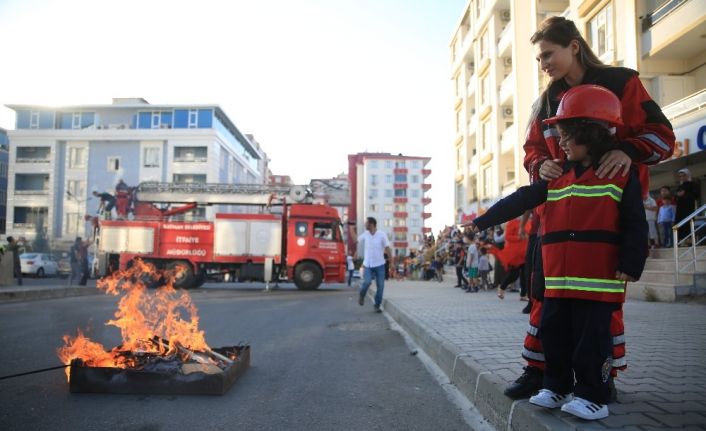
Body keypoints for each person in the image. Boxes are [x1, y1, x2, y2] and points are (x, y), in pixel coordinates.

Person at [511, 15, 675, 403]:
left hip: (609, 212)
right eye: (538, 59)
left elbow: (663, 137)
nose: (543, 64)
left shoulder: (622, 82)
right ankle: (541, 374)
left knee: (601, 301)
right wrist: (541, 166)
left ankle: (600, 379)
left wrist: (626, 149)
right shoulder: (545, 101)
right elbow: (532, 150)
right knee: (543, 293)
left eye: (547, 54)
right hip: (555, 213)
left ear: (574, 46)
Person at [471, 84, 648, 420]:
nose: (561, 143)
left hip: (599, 283)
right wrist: (482, 222)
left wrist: (631, 262)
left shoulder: (620, 175)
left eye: (568, 136)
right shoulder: (557, 176)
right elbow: (520, 200)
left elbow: (635, 222)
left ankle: (593, 396)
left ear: (592, 134)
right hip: (559, 282)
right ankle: (555, 385)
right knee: (554, 336)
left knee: (591, 343)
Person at [355, 217, 391, 312]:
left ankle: (377, 305)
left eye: (366, 223)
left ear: (371, 224)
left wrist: (391, 260)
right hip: (367, 265)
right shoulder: (365, 234)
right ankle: (361, 295)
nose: (365, 225)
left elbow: (387, 247)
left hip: (380, 265)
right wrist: (351, 229)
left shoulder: (382, 234)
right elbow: (357, 240)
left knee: (381, 286)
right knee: (367, 282)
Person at [675, 168, 699, 242]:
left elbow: (696, 195)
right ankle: (682, 241)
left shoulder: (693, 184)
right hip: (680, 209)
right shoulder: (680, 186)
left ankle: (690, 241)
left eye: (683, 176)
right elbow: (676, 196)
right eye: (680, 176)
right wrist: (678, 195)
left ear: (688, 175)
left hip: (688, 208)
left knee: (688, 224)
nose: (682, 178)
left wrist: (684, 195)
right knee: (680, 223)